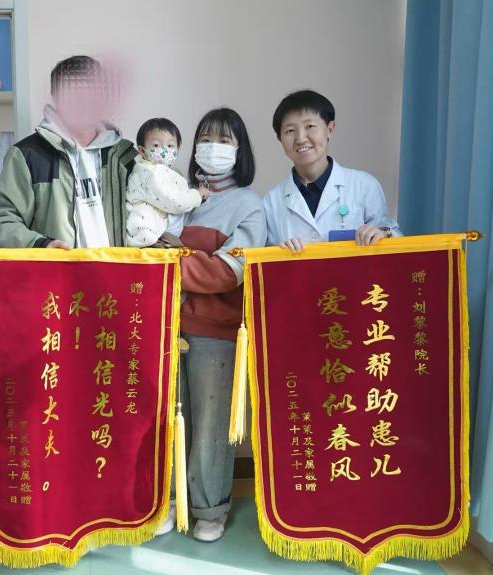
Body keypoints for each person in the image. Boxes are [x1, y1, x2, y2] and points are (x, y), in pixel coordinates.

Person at [156, 108, 267, 542]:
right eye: (205, 138)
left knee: (208, 424)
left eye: (224, 140)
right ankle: (168, 500)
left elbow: (227, 273)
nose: (212, 147)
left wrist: (173, 259)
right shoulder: (178, 197)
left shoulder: (249, 204)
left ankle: (208, 507)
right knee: (167, 419)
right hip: (166, 328)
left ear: (240, 150)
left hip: (215, 332)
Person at [0, 55, 137, 248]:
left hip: (116, 267)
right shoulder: (27, 155)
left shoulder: (124, 156)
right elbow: (3, 219)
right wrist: (41, 245)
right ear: (56, 98)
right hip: (56, 267)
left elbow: (151, 211)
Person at [263, 90, 400, 251]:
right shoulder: (271, 202)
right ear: (279, 139)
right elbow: (263, 257)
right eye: (290, 131)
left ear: (330, 129)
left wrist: (383, 234)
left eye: (310, 126)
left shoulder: (364, 186)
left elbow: (396, 240)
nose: (300, 138)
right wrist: (279, 253)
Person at [125, 117, 206, 247]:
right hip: (145, 236)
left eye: (170, 146)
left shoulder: (164, 171)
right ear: (142, 151)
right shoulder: (149, 173)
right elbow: (174, 201)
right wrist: (197, 195)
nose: (165, 150)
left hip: (158, 237)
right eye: (156, 145)